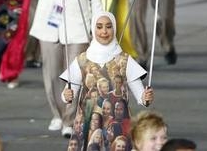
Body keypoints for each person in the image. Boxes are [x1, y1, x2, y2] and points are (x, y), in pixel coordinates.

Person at [2, 0, 101, 137]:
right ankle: (58, 114)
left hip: (78, 25)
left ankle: (71, 118)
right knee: (52, 72)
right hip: (49, 24)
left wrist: (97, 27)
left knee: (75, 74)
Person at [62, 12, 155, 151]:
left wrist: (146, 98)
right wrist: (66, 95)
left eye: (108, 26)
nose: (104, 31)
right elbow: (69, 94)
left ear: (115, 28)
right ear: (93, 29)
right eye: (99, 27)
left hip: (118, 123)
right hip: (88, 123)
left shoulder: (124, 60)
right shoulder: (82, 59)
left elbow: (141, 97)